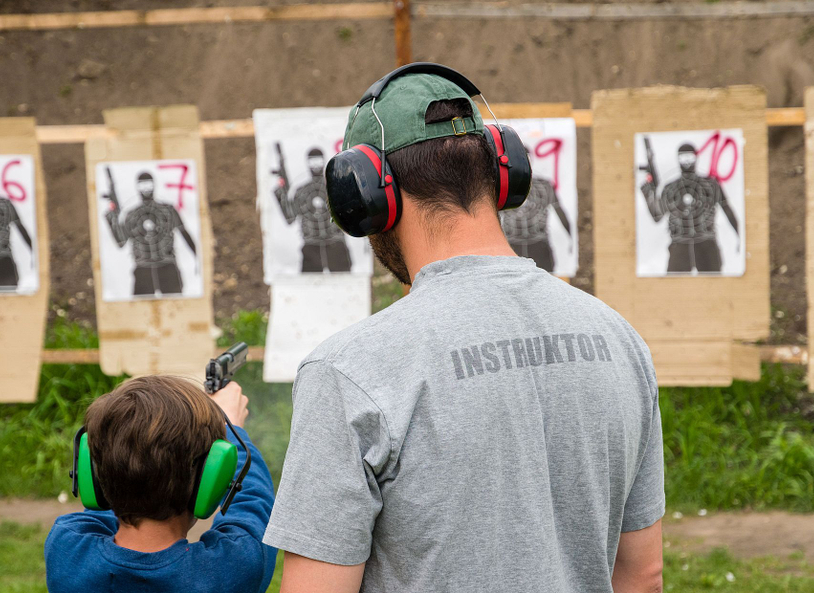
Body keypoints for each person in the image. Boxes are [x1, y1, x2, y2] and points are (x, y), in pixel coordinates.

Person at [264, 65, 664, 592]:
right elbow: (643, 577)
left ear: (364, 195)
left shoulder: (348, 373)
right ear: (503, 174)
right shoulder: (620, 341)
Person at [45, 376, 277, 593]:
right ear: (210, 478)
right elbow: (254, 501)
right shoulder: (232, 570)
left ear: (93, 477)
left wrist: (120, 445)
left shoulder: (66, 549)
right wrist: (235, 432)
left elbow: (111, 488)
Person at [640, 142, 739, 273]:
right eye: (683, 158)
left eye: (690, 157)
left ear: (696, 157)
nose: (687, 162)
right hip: (680, 245)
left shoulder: (710, 185)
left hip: (707, 243)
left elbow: (727, 209)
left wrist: (740, 236)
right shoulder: (671, 189)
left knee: (713, 287)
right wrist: (648, 193)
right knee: (674, 289)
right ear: (678, 159)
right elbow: (657, 215)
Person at [104, 171, 199, 296]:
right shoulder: (131, 215)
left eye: (148, 185)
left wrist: (198, 256)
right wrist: (113, 218)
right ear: (137, 187)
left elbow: (184, 233)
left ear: (154, 185)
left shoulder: (168, 210)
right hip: (143, 269)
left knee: (175, 305)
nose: (146, 189)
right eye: (142, 186)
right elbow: (121, 242)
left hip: (167, 266)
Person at [274, 147, 353, 273]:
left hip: (336, 244)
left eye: (319, 162)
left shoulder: (336, 187)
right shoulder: (301, 192)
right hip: (311, 246)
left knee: (345, 283)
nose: (316, 166)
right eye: (312, 162)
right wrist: (281, 192)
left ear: (324, 162)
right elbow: (290, 217)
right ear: (308, 163)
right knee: (309, 287)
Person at [500, 163, 573, 273]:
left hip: (537, 242)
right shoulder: (502, 185)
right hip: (513, 244)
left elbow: (560, 212)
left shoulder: (544, 185)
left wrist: (571, 238)